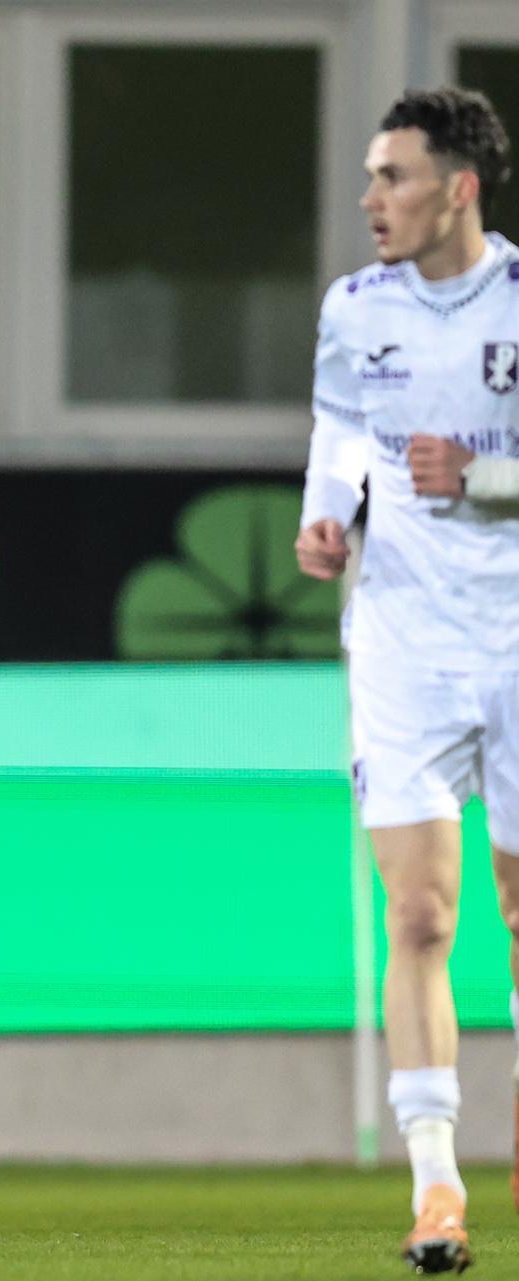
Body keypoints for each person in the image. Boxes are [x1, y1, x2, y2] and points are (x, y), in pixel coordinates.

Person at [298, 85, 519, 1275]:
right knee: (422, 914)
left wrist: (483, 478)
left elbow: (473, 469)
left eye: (394, 177)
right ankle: (437, 1187)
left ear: (459, 188)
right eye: (372, 176)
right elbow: (342, 428)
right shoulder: (356, 307)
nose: (372, 199)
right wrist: (328, 511)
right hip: (401, 642)